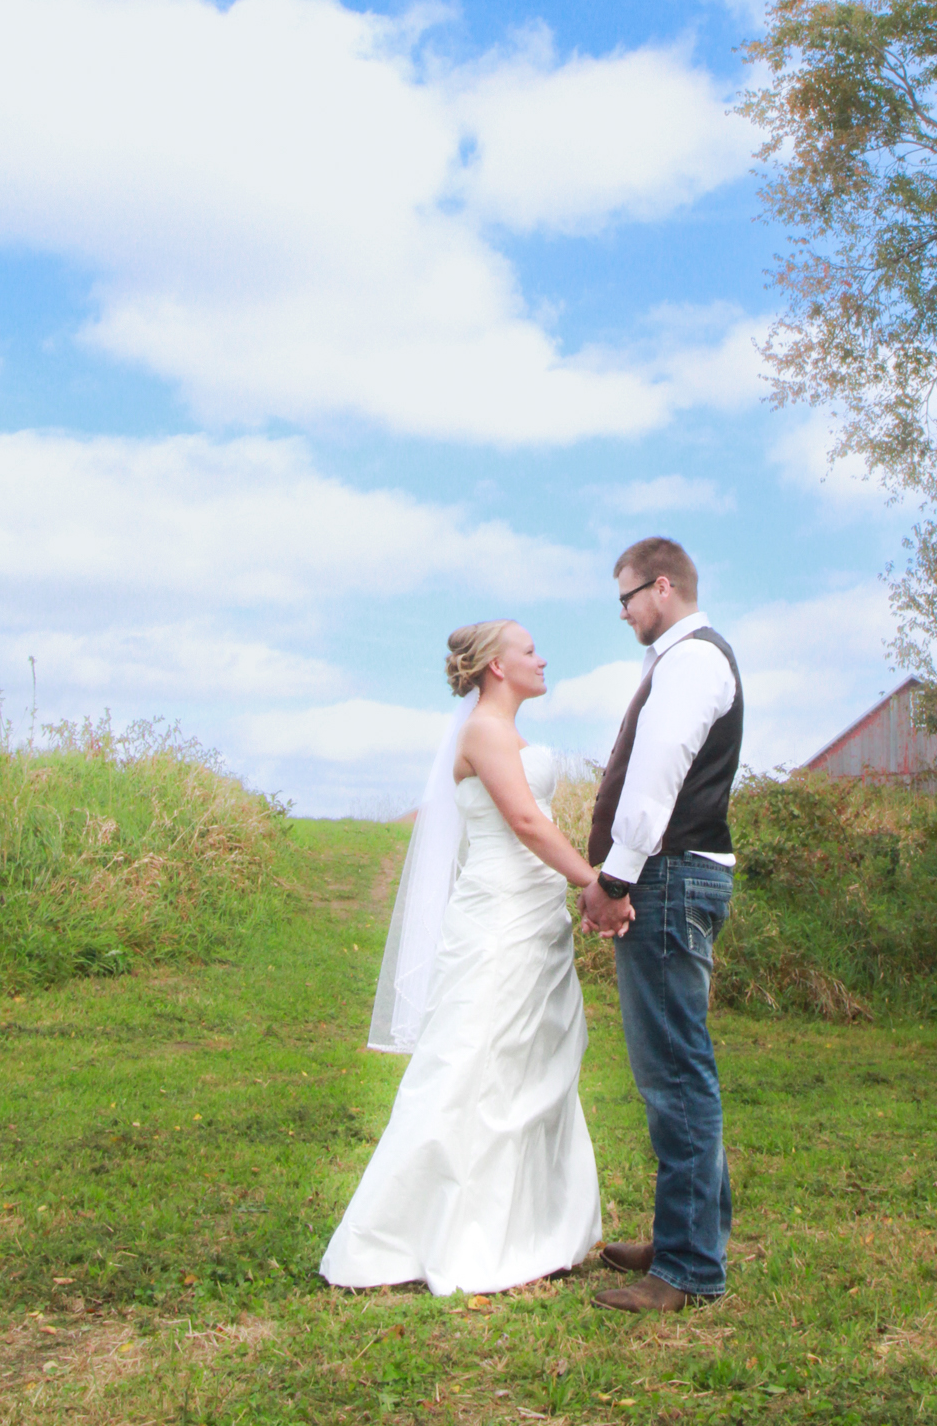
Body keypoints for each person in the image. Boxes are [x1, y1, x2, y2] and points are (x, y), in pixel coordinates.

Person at [320, 619, 618, 1296]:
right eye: (530, 651)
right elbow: (524, 821)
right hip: (499, 917)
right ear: (496, 668)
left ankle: (533, 1226)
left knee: (531, 1061)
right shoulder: (483, 729)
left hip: (531, 914)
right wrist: (592, 883)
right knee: (474, 1060)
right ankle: (430, 1232)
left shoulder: (503, 732)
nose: (543, 659)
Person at [576, 537, 743, 1313]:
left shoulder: (690, 661)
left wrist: (615, 877)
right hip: (674, 874)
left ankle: (684, 1268)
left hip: (666, 876)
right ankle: (688, 1233)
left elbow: (657, 775)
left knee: (674, 1072)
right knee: (677, 1067)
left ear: (662, 585)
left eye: (626, 598)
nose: (623, 613)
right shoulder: (681, 660)